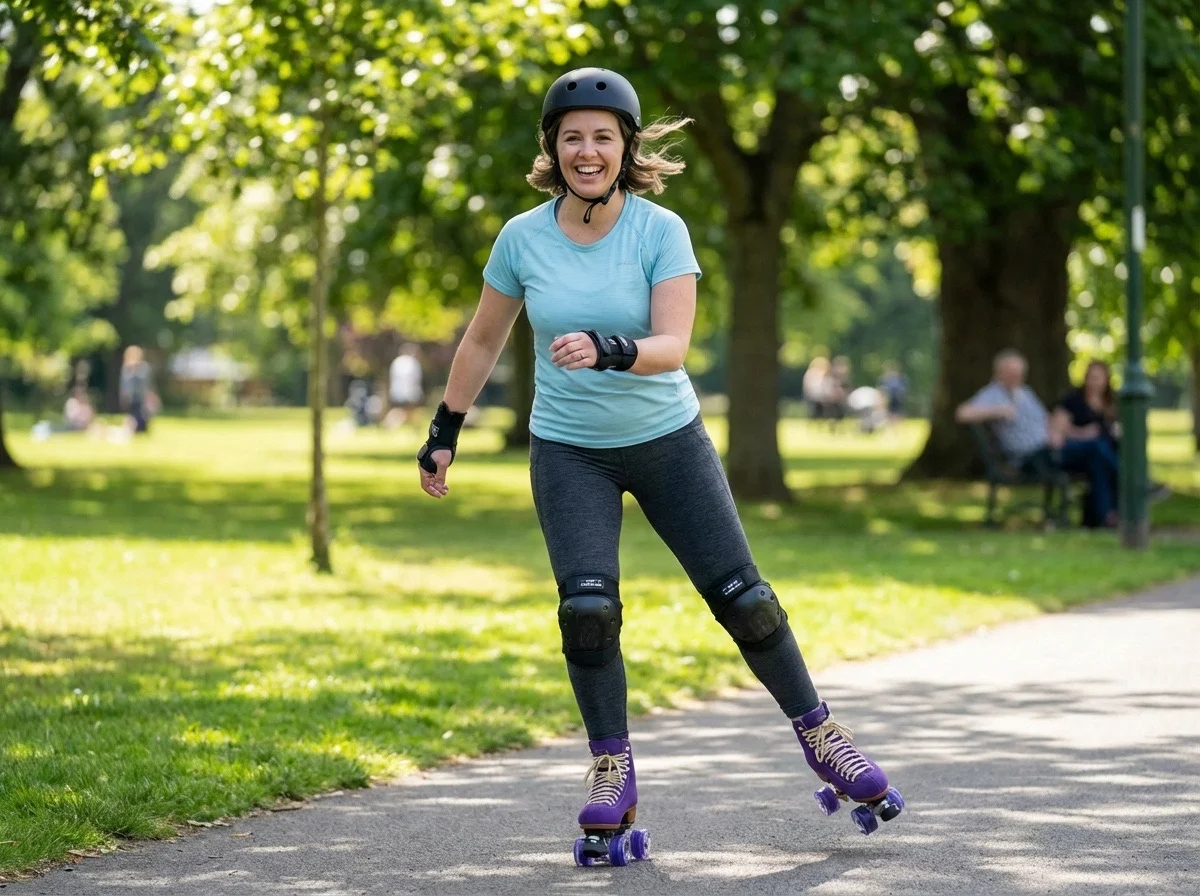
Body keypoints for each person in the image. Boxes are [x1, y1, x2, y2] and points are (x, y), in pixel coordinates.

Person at [416, 66, 903, 860]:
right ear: (552, 147)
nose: (587, 151)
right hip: (570, 452)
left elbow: (675, 346)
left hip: (667, 440)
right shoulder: (521, 237)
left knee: (745, 600)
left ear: (626, 147)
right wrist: (446, 426)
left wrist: (609, 348)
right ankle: (612, 766)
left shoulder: (659, 231)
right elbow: (481, 338)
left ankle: (822, 733)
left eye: (602, 137)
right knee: (586, 610)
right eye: (572, 136)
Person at [955, 349, 1119, 528]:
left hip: (1049, 449)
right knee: (1098, 448)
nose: (1017, 376)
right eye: (1012, 372)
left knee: (1098, 459)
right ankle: (1132, 484)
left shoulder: (1024, 392)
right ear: (999, 372)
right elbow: (962, 413)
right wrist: (998, 410)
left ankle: (1104, 518)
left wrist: (1058, 432)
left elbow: (1046, 420)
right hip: (1031, 457)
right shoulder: (993, 394)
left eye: (1019, 372)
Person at [1050, 360, 1169, 522]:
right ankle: (1137, 483)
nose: (1094, 382)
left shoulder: (1112, 405)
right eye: (1092, 377)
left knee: (1101, 462)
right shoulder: (1072, 401)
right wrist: (1083, 433)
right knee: (1098, 447)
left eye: (1098, 378)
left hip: (1098, 456)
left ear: (1107, 380)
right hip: (1075, 452)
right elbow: (1057, 431)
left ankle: (1108, 517)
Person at [118, 345, 155, 434]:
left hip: (141, 397)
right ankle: (131, 429)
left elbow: (147, 383)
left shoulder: (144, 368)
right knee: (130, 415)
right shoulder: (126, 368)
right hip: (130, 397)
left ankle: (141, 429)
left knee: (142, 414)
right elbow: (124, 384)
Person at [387, 344, 424, 426]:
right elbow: (414, 380)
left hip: (396, 392)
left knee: (400, 410)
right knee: (405, 411)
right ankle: (391, 425)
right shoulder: (413, 362)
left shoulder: (396, 361)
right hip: (409, 392)